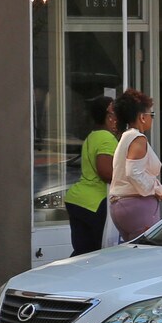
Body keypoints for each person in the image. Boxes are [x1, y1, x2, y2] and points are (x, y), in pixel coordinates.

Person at [107, 89, 162, 241]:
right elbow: (134, 173)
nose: (152, 119)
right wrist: (159, 190)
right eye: (151, 115)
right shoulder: (138, 138)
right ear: (142, 117)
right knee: (148, 254)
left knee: (134, 254)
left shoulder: (125, 138)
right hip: (137, 207)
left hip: (120, 205)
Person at [62, 95, 119, 256]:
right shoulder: (107, 138)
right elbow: (105, 171)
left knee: (82, 253)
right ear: (109, 117)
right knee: (97, 254)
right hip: (95, 202)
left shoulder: (92, 135)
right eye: (115, 114)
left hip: (77, 199)